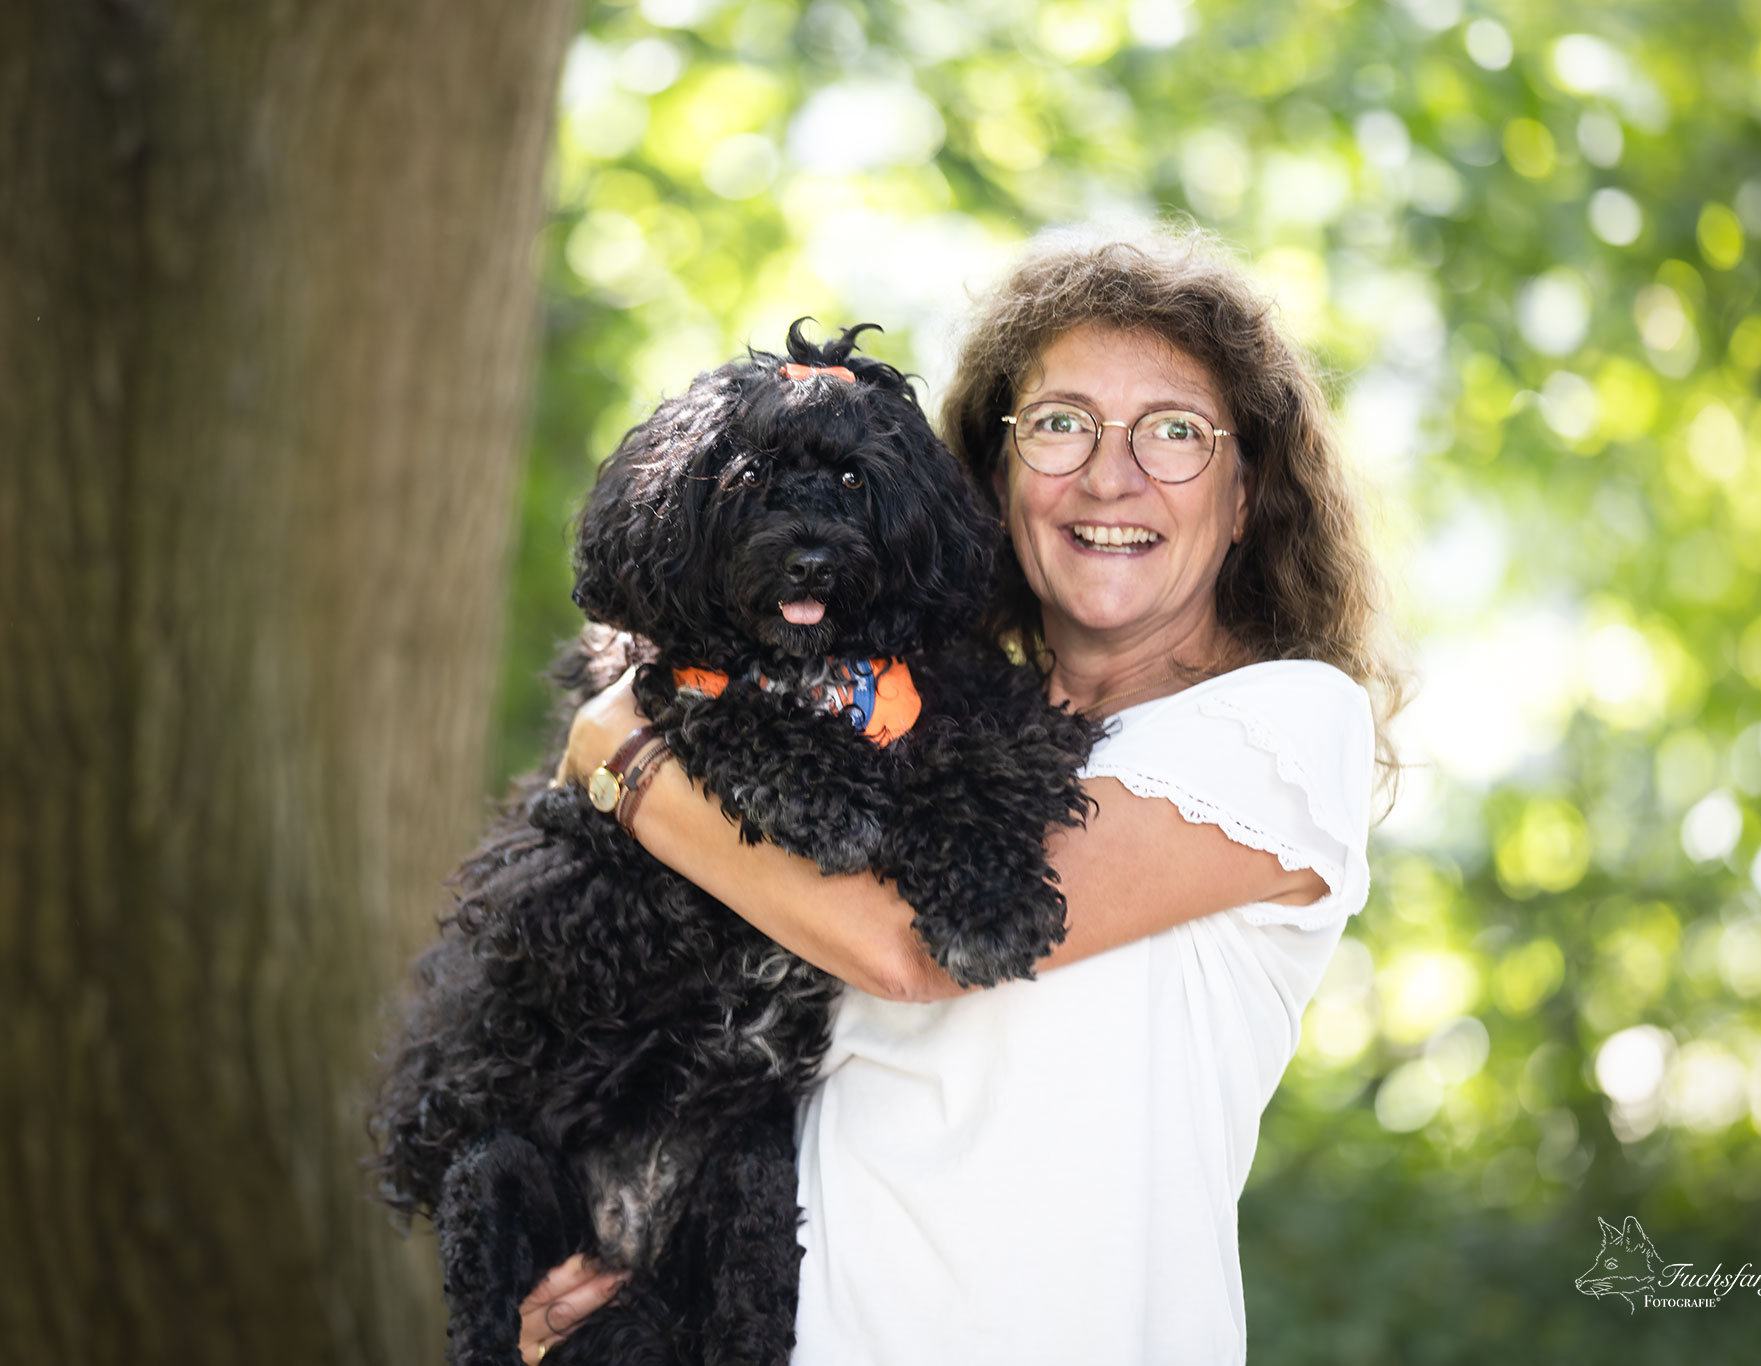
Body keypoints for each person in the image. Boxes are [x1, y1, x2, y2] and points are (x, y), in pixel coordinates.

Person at [518, 230, 1399, 1365]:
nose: (1107, 474)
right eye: (1059, 422)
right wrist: (601, 1261)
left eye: (1173, 432)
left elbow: (912, 947)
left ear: (1246, 498)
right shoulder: (922, 733)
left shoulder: (1282, 724)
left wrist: (620, 753)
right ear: (989, 479)